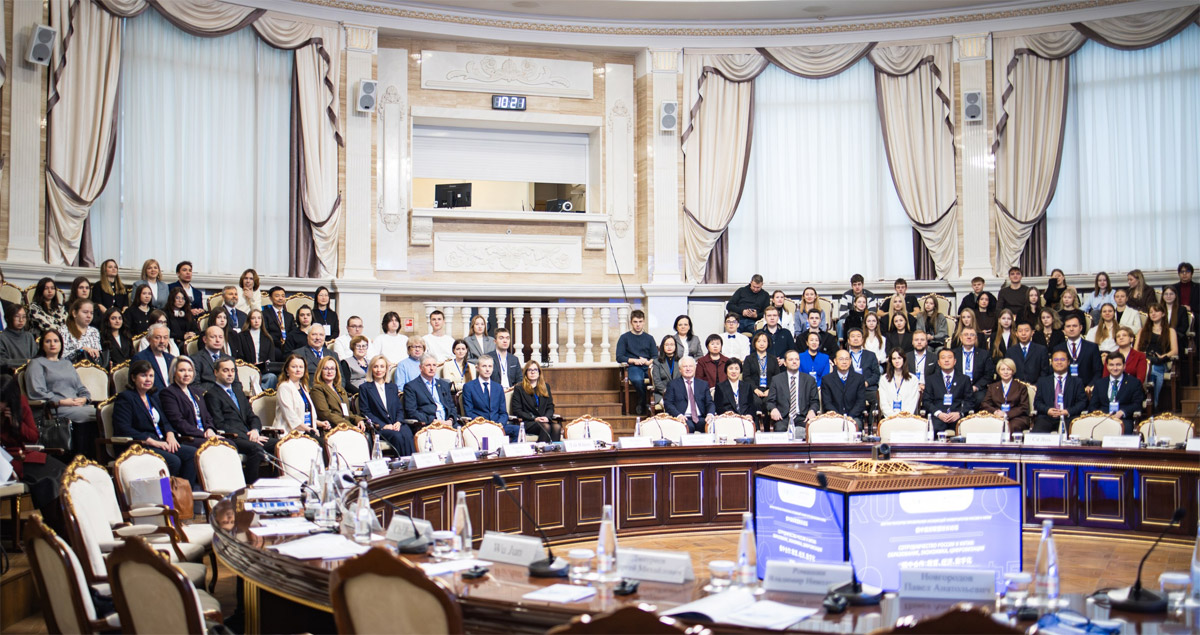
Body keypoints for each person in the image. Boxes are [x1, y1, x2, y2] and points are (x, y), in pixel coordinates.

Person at [113, 360, 195, 483]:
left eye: (151, 376)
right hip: (139, 445)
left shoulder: (152, 397)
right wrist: (152, 441)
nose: (148, 379)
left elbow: (165, 422)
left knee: (192, 454)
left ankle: (184, 492)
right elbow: (123, 428)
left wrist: (170, 434)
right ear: (133, 378)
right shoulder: (125, 398)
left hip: (160, 441)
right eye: (143, 375)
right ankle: (165, 493)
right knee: (173, 461)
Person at [1, 375, 66, 528]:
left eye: (2, 401)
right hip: (6, 460)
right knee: (47, 483)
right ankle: (55, 527)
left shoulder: (20, 403)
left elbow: (33, 436)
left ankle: (66, 525)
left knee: (64, 473)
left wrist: (17, 425)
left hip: (23, 455)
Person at [26, 330, 98, 457]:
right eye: (48, 341)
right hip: (56, 407)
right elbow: (37, 391)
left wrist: (85, 398)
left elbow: (81, 387)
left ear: (61, 344)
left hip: (76, 405)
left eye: (56, 341)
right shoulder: (36, 363)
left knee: (100, 413)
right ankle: (79, 456)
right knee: (88, 414)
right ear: (42, 345)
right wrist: (60, 401)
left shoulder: (67, 363)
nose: (52, 344)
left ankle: (95, 456)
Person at [203, 358, 273, 483]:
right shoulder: (212, 395)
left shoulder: (238, 392)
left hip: (251, 436)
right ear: (216, 372)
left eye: (232, 370)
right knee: (255, 449)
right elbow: (219, 424)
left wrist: (255, 430)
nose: (230, 374)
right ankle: (250, 486)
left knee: (279, 445)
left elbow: (252, 416)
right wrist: (248, 436)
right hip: (233, 438)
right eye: (225, 370)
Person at [356, 355, 415, 456]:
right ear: (371, 369)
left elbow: (399, 409)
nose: (379, 370)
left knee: (407, 433)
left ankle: (411, 463)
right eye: (375, 366)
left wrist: (398, 422)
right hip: (380, 427)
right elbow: (365, 411)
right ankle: (402, 464)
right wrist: (384, 426)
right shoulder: (364, 388)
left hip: (396, 423)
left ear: (386, 369)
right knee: (397, 437)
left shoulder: (392, 387)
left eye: (382, 366)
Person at [158, 357, 217, 448]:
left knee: (230, 444)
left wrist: (210, 429)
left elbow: (207, 416)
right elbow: (178, 422)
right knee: (215, 447)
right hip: (189, 438)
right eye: (182, 370)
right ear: (174, 373)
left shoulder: (197, 392)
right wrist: (203, 434)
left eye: (190, 370)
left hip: (206, 435)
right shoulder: (168, 393)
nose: (187, 374)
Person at [1087, 352, 1144, 434]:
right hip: (1102, 419)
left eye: (1118, 365)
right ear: (1107, 366)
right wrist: (1101, 415)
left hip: (1123, 420)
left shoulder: (1134, 383)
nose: (1115, 368)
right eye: (1111, 365)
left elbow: (1137, 404)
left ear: (1124, 366)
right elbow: (1093, 405)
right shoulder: (1099, 383)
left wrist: (1123, 412)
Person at [1033, 350, 1088, 433]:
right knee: (1037, 434)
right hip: (1047, 417)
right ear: (1051, 362)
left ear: (1068, 362)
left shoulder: (1077, 382)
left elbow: (1082, 402)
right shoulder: (1043, 381)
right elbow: (1037, 402)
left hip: (1069, 417)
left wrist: (1068, 411)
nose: (1059, 362)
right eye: (1056, 360)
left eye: (1062, 359)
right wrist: (1047, 410)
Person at [462, 355, 515, 440]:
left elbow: (503, 413)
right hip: (479, 426)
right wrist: (485, 424)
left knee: (518, 430)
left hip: (497, 425)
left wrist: (499, 424)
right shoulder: (469, 387)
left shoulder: (498, 387)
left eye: (490, 366)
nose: (487, 369)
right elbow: (469, 412)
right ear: (477, 368)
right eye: (484, 366)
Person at [1136, 304, 1178, 408]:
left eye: (1156, 311)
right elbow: (1135, 350)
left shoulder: (1170, 331)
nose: (1153, 314)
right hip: (1144, 360)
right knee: (1147, 369)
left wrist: (1163, 356)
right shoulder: (1142, 331)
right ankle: (1146, 400)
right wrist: (1144, 355)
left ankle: (1152, 403)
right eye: (1151, 312)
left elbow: (1175, 350)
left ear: (1163, 314)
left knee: (1154, 369)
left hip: (1160, 361)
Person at [275, 354, 328, 438]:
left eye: (301, 367)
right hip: (290, 433)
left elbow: (303, 414)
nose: (298, 370)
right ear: (287, 369)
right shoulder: (284, 387)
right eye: (294, 367)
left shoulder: (303, 387)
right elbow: (291, 417)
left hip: (306, 430)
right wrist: (309, 429)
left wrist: (319, 423)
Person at [767, 350, 819, 432]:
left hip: (803, 417)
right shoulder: (776, 380)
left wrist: (812, 410)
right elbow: (770, 401)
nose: (794, 362)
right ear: (785, 363)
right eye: (791, 360)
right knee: (780, 429)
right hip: (783, 417)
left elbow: (815, 401)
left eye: (797, 359)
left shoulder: (809, 380)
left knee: (806, 430)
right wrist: (773, 409)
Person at [309, 356, 365, 433]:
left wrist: (358, 420)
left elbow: (347, 412)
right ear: (320, 371)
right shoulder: (317, 389)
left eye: (332, 368)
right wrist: (349, 426)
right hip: (332, 429)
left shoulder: (340, 389)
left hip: (346, 427)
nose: (329, 372)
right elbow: (326, 414)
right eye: (326, 369)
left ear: (336, 371)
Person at [616, 310, 656, 415]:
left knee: (659, 378)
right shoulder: (624, 338)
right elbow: (619, 357)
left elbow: (655, 356)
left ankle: (655, 404)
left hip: (647, 366)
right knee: (637, 380)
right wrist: (634, 360)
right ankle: (643, 402)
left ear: (644, 322)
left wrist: (648, 362)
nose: (638, 324)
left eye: (640, 321)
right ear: (631, 322)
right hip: (633, 366)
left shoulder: (649, 338)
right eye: (635, 322)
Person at [403, 353, 460, 426]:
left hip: (449, 423)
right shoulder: (411, 387)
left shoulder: (444, 385)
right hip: (429, 425)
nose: (432, 368)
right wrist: (433, 421)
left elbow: (452, 407)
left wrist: (451, 420)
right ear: (420, 368)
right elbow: (412, 412)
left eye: (434, 365)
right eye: (428, 365)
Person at [923, 349, 970, 434]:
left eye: (949, 357)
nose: (946, 360)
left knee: (964, 428)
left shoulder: (964, 379)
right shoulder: (931, 379)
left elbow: (970, 401)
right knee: (933, 428)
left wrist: (959, 413)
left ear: (955, 361)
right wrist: (939, 414)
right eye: (943, 358)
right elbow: (927, 401)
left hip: (956, 416)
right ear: (938, 362)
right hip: (938, 416)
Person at [663, 356, 715, 433]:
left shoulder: (703, 384)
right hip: (683, 417)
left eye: (690, 366)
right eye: (685, 366)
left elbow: (709, 403)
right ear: (680, 369)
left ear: (695, 368)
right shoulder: (672, 384)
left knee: (712, 425)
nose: (688, 369)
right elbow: (668, 404)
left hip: (700, 417)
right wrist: (678, 415)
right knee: (689, 427)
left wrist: (710, 414)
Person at [509, 360, 557, 441]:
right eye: (530, 370)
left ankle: (554, 449)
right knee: (546, 427)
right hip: (529, 421)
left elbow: (550, 406)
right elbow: (517, 411)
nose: (533, 372)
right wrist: (535, 418)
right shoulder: (519, 388)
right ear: (526, 373)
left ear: (539, 372)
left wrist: (547, 417)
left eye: (535, 370)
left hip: (544, 420)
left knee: (557, 427)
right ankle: (540, 449)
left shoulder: (546, 387)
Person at [981, 358, 1031, 433]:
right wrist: (995, 412)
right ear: (999, 371)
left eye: (1008, 369)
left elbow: (1024, 407)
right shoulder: (992, 387)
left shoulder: (1021, 387)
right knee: (991, 424)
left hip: (1016, 417)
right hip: (997, 416)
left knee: (1012, 426)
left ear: (1013, 371)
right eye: (1003, 369)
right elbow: (985, 403)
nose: (1006, 372)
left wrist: (1006, 414)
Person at [1053, 314, 1102, 389]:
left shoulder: (1092, 347)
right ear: (1064, 329)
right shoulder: (1058, 349)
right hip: (1064, 389)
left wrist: (1090, 386)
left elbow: (1098, 371)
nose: (1071, 329)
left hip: (1087, 389)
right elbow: (1054, 372)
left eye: (1074, 326)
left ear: (1080, 328)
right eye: (1068, 326)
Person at [821, 350, 866, 426]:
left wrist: (850, 416)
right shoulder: (827, 379)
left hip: (853, 417)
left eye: (846, 359)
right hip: (833, 417)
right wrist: (839, 417)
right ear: (835, 361)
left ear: (850, 361)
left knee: (856, 424)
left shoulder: (859, 378)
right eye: (841, 359)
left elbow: (860, 402)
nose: (844, 362)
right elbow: (827, 403)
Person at [238, 309, 279, 390]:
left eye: (259, 318)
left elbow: (271, 359)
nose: (256, 321)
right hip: (248, 371)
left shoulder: (268, 338)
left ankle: (259, 392)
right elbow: (240, 357)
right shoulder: (241, 336)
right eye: (253, 318)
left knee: (272, 377)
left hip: (263, 372)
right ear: (249, 320)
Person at [954, 327, 993, 411]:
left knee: (981, 399)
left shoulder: (984, 354)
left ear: (975, 339)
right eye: (966, 335)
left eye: (972, 335)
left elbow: (988, 375)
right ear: (961, 338)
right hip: (956, 387)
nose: (969, 337)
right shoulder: (953, 354)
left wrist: (976, 387)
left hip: (976, 388)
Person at [742, 332, 777, 425]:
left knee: (768, 401)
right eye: (759, 341)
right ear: (754, 343)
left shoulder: (773, 359)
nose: (762, 344)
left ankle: (766, 428)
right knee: (755, 401)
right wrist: (755, 389)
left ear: (768, 343)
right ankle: (756, 426)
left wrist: (770, 390)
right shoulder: (749, 358)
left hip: (769, 389)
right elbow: (746, 376)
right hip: (754, 389)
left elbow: (777, 377)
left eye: (764, 341)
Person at [131, 324, 175, 391]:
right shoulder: (140, 358)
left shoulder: (171, 358)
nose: (162, 341)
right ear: (149, 339)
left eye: (165, 337)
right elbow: (138, 387)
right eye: (157, 337)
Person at [189, 325, 230, 395]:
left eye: (220, 337)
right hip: (208, 396)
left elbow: (236, 384)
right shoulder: (195, 359)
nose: (217, 340)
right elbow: (194, 385)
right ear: (205, 339)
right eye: (213, 337)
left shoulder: (229, 359)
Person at [879, 349, 920, 416]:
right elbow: (883, 404)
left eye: (899, 358)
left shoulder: (913, 379)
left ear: (904, 359)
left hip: (907, 417)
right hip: (889, 418)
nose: (897, 361)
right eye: (894, 359)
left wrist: (903, 416)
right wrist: (893, 416)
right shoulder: (884, 379)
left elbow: (912, 403)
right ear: (890, 361)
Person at [59, 300, 102, 364]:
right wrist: (81, 351)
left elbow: (98, 352)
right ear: (74, 313)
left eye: (91, 313)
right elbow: (61, 357)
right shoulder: (64, 330)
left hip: (93, 367)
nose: (89, 316)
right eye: (85, 312)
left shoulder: (94, 331)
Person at [837, 274, 878, 339]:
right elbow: (842, 314)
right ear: (851, 286)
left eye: (859, 284)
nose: (857, 287)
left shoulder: (870, 295)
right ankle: (841, 343)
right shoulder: (846, 295)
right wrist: (853, 319)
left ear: (863, 285)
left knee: (871, 321)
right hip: (850, 319)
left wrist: (864, 320)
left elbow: (873, 313)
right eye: (855, 285)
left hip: (865, 319)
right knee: (840, 322)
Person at [0, 305, 37, 372]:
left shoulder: (29, 336)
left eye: (24, 317)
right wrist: (25, 362)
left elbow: (36, 357)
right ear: (8, 318)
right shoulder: (2, 338)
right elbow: (2, 361)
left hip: (31, 372)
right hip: (10, 373)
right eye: (17, 316)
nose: (21, 320)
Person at [1169, 262, 1199, 340]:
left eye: (1187, 271)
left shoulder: (1198, 287)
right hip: (1178, 313)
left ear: (1191, 274)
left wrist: (1190, 308)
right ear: (1179, 274)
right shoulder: (1173, 288)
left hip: (1195, 313)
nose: (1184, 274)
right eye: (1182, 272)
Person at [651, 335, 681, 406]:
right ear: (663, 347)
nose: (669, 347)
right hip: (662, 393)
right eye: (667, 345)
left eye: (672, 345)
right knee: (668, 405)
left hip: (678, 393)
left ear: (675, 346)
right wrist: (667, 391)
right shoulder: (657, 362)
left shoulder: (680, 361)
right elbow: (657, 381)